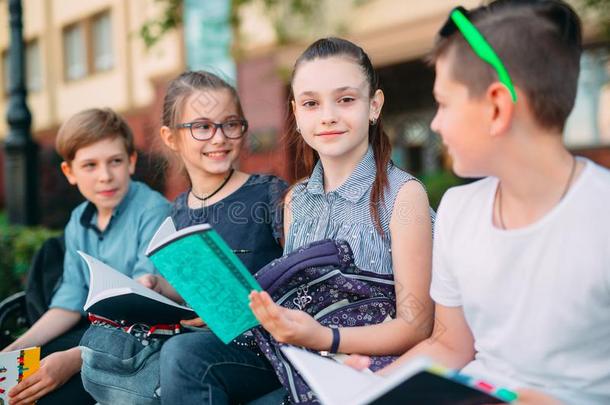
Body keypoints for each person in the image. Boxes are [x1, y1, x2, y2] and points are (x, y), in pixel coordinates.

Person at [346, 2, 610, 404]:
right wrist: (371, 389)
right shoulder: (458, 210)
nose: (434, 123)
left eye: (445, 103)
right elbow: (450, 346)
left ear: (498, 107)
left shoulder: (599, 216)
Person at [160, 37, 435, 404]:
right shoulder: (295, 201)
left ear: (374, 105)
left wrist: (326, 337)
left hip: (367, 367)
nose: (328, 115)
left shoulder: (403, 195)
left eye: (346, 100)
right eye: (311, 103)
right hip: (299, 360)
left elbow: (416, 326)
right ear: (296, 112)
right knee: (185, 354)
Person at [78, 70, 288, 405]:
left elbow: (302, 279)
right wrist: (159, 288)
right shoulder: (177, 210)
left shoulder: (270, 194)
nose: (219, 137)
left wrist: (233, 305)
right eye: (202, 127)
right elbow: (190, 287)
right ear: (171, 137)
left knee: (182, 356)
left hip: (263, 346)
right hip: (205, 340)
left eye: (230, 124)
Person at [2, 108, 171, 405]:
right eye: (90, 165)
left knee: (45, 397)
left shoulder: (152, 210)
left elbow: (142, 306)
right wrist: (15, 348)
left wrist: (73, 359)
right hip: (93, 335)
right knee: (15, 384)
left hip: (142, 345)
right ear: (70, 172)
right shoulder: (79, 219)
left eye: (115, 162)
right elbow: (68, 302)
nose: (105, 176)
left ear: (131, 162)